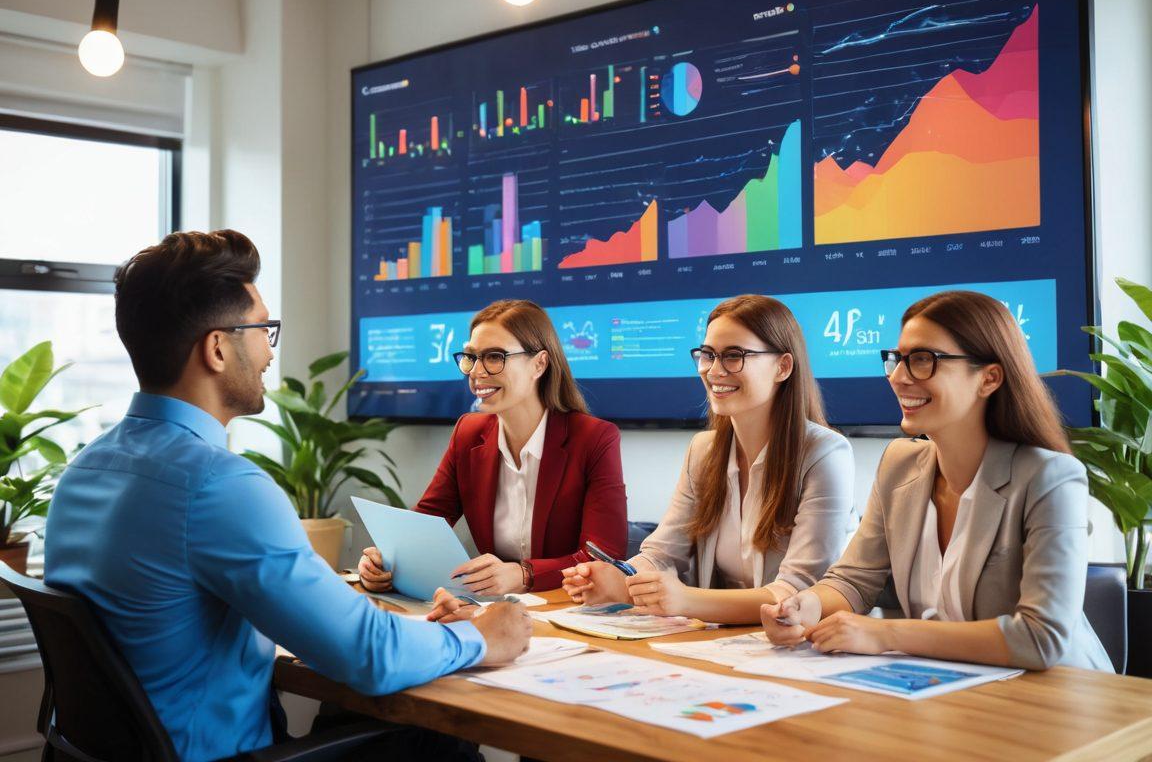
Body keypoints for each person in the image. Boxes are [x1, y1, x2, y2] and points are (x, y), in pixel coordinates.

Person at [44, 230, 532, 762]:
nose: (269, 352)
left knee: (350, 714)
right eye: (263, 330)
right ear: (217, 348)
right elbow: (368, 654)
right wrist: (482, 637)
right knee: (434, 737)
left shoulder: (84, 470)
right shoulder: (218, 485)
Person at [761, 290, 1112, 671]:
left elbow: (1040, 637)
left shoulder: (1051, 477)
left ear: (989, 378)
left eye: (923, 360)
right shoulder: (899, 464)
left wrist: (888, 634)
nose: (898, 377)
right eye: (897, 360)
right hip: (949, 685)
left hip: (1058, 692)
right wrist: (806, 606)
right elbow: (854, 581)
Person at [559, 294, 854, 625]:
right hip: (720, 639)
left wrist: (686, 600)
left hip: (802, 642)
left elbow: (796, 592)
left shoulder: (827, 453)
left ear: (783, 367)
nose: (714, 370)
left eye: (734, 356)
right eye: (708, 354)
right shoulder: (704, 451)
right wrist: (620, 578)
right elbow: (662, 554)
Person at [360, 299, 628, 599]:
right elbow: (425, 525)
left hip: (568, 606)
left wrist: (524, 574)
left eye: (494, 357)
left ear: (539, 364)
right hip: (497, 607)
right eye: (471, 357)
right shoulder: (468, 433)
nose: (476, 372)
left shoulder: (594, 438)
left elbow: (603, 558)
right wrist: (385, 561)